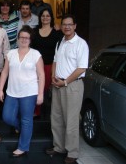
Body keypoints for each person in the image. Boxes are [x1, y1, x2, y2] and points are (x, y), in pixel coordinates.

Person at [45, 15, 89, 164]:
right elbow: (55, 61)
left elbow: (81, 68)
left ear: (75, 26)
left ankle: (72, 152)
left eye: (70, 24)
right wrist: (53, 78)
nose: (67, 27)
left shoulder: (81, 44)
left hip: (72, 86)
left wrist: (64, 82)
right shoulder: (61, 41)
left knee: (71, 120)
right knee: (56, 118)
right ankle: (59, 147)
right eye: (64, 24)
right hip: (58, 84)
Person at [0, 25, 45, 157]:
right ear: (18, 39)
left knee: (26, 120)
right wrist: (0, 89)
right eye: (21, 37)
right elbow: (5, 72)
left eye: (27, 37)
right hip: (12, 92)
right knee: (7, 117)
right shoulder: (11, 54)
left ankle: (23, 147)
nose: (24, 39)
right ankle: (21, 128)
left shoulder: (36, 54)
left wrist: (40, 94)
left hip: (29, 92)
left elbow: (41, 75)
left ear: (30, 39)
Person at [31, 8, 63, 118]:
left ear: (51, 18)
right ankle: (36, 112)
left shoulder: (57, 33)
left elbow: (61, 50)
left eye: (48, 16)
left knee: (48, 91)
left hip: (50, 66)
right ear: (40, 18)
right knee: (35, 90)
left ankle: (49, 114)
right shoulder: (34, 32)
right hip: (35, 67)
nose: (45, 18)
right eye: (43, 15)